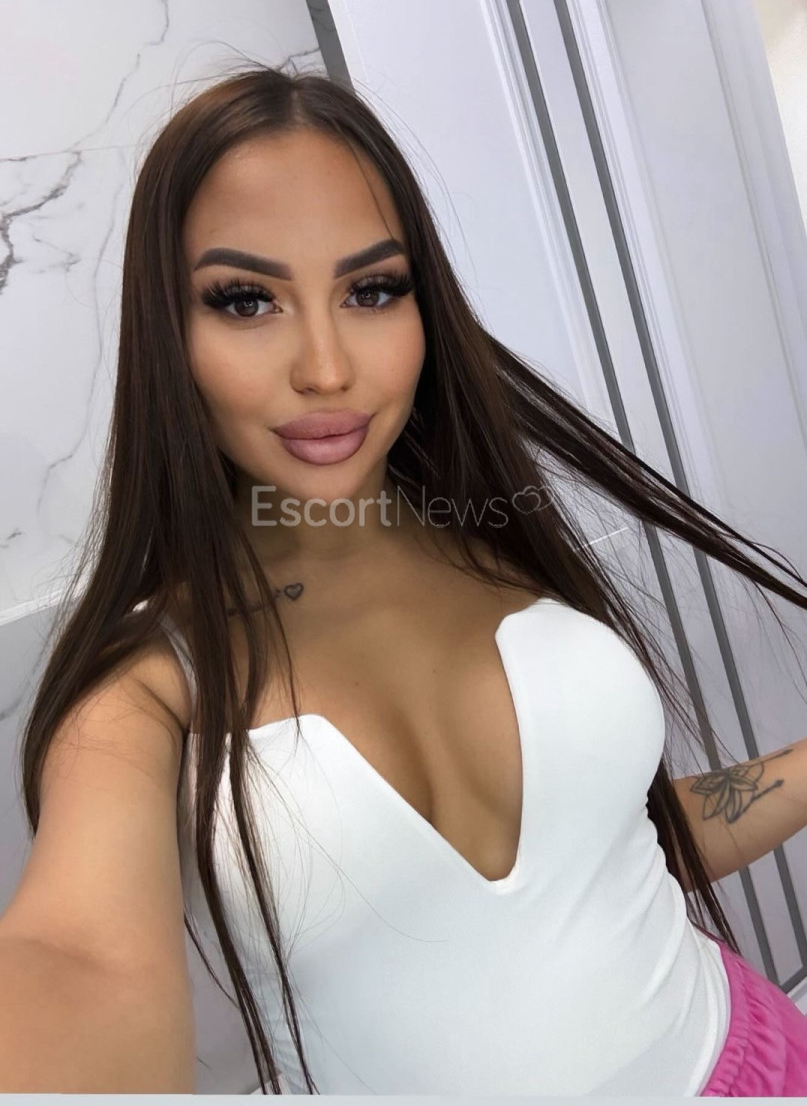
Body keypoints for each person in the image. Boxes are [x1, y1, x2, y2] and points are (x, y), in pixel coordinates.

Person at [2, 63, 807, 1096]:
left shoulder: (500, 542)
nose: (326, 367)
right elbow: (78, 959)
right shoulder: (144, 694)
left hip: (758, 1061)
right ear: (169, 332)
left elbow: (624, 850)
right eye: (246, 300)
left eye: (372, 290)